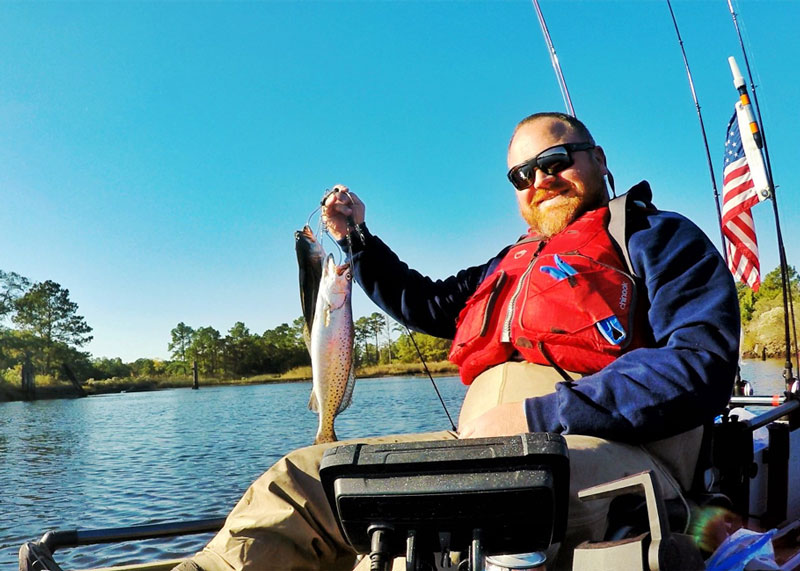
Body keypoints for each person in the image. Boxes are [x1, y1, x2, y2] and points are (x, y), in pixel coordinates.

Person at [174, 112, 739, 571]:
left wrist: (539, 416)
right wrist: (356, 238)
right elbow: (422, 301)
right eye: (522, 175)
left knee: (454, 509)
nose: (540, 180)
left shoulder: (658, 238)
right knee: (298, 481)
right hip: (479, 445)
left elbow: (700, 363)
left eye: (556, 161)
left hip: (604, 451)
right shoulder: (508, 264)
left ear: (599, 160)